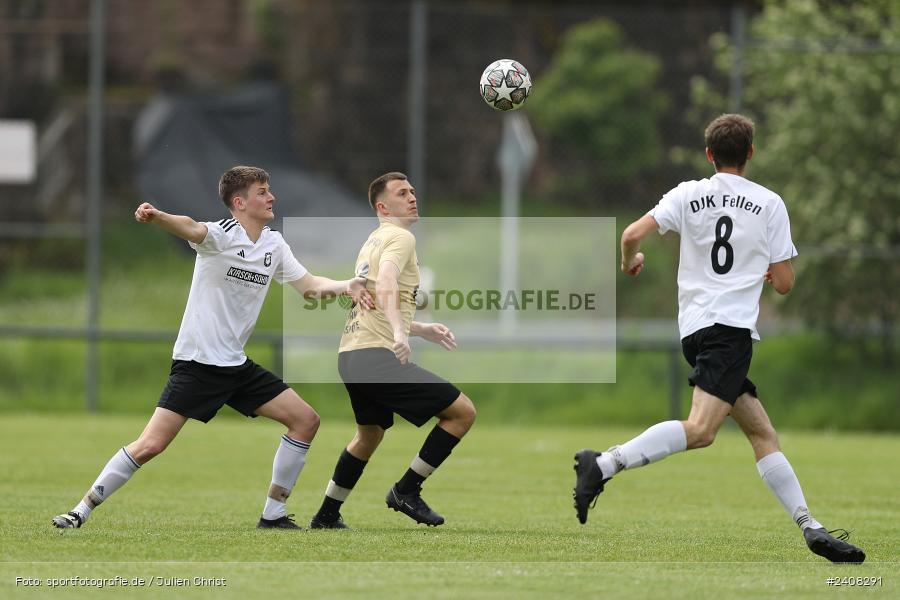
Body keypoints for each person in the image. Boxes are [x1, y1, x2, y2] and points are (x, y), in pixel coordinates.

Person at [572, 114, 865, 563]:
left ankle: (812, 528)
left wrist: (630, 262)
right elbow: (785, 284)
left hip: (694, 330)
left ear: (709, 154)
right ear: (751, 153)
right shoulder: (769, 203)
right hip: (730, 332)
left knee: (762, 432)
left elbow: (630, 235)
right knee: (701, 431)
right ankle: (604, 463)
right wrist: (768, 272)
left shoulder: (688, 193)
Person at [52, 165, 371, 530]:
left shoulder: (274, 245)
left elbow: (310, 286)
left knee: (305, 420)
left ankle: (273, 514)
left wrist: (348, 285)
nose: (271, 197)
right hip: (198, 364)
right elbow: (191, 227)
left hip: (236, 366)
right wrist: (157, 216)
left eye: (269, 190)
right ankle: (80, 510)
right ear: (240, 202)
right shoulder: (220, 236)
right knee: (151, 445)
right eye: (262, 191)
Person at [308, 172, 476, 529]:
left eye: (412, 191)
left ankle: (326, 515)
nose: (412, 197)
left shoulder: (372, 241)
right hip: (374, 356)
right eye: (402, 193)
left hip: (351, 354)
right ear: (383, 207)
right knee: (462, 413)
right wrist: (401, 333)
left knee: (368, 435)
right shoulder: (401, 237)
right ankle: (406, 491)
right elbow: (385, 283)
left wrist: (420, 329)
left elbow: (377, 303)